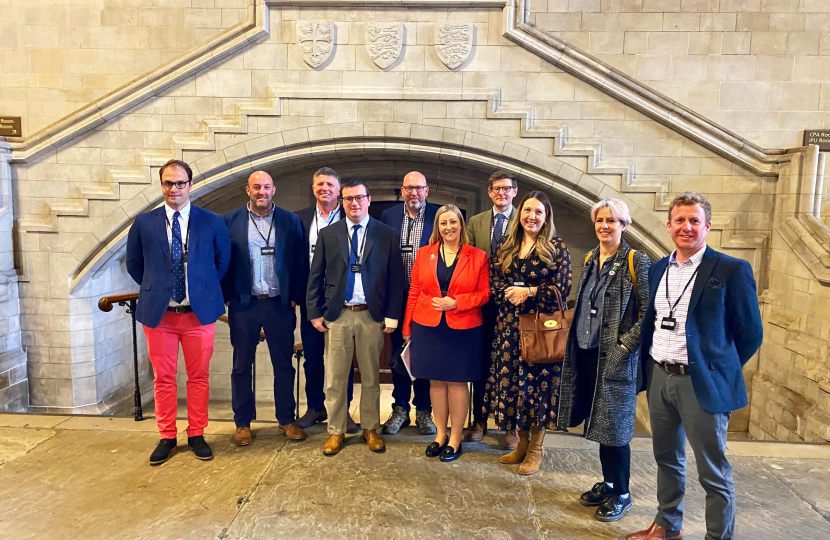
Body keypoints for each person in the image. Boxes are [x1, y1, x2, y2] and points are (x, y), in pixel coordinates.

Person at [625, 192, 763, 540]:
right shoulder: (658, 268)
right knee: (666, 458)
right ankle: (667, 526)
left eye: (694, 221)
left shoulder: (731, 269)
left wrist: (715, 367)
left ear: (707, 226)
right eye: (680, 221)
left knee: (712, 471)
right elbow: (653, 320)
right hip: (661, 377)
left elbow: (750, 333)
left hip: (700, 382)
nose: (687, 227)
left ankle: (718, 536)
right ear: (669, 225)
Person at [126, 159, 230, 465]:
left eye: (180, 183)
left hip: (198, 314)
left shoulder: (211, 221)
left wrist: (200, 289)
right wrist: (158, 287)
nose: (174, 189)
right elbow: (135, 265)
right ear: (161, 186)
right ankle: (167, 436)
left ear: (190, 185)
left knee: (198, 377)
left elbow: (222, 263)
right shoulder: (144, 223)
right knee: (163, 379)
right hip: (160, 315)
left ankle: (197, 434)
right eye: (168, 183)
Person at [557, 199, 651, 522]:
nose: (605, 226)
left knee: (617, 429)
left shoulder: (635, 261)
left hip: (615, 357)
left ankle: (622, 492)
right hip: (587, 354)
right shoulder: (590, 257)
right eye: (600, 220)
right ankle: (608, 482)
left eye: (612, 221)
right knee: (599, 425)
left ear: (624, 225)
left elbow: (649, 312)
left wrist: (626, 347)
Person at [307, 177, 405, 456]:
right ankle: (336, 431)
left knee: (372, 377)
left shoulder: (385, 234)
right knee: (335, 377)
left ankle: (370, 428)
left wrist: (392, 316)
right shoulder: (329, 233)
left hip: (370, 316)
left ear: (369, 200)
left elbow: (396, 279)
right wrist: (315, 312)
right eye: (348, 198)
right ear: (342, 201)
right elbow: (316, 276)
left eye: (359, 198)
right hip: (338, 316)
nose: (354, 203)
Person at [483, 190, 572, 475]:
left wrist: (530, 292)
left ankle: (536, 448)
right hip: (508, 329)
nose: (531, 217)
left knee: (538, 390)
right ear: (519, 214)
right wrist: (509, 293)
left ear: (546, 218)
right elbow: (493, 281)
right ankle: (521, 444)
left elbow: (562, 290)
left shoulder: (556, 247)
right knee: (513, 388)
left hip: (540, 331)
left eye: (538, 212)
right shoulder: (507, 246)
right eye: (527, 211)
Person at [222, 171, 307, 446]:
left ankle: (286, 420)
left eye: (266, 187)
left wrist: (294, 296)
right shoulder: (230, 221)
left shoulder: (289, 220)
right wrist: (228, 296)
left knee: (284, 365)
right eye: (256, 187)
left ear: (274, 190)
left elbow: (298, 262)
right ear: (247, 190)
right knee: (241, 366)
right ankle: (243, 424)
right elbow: (222, 261)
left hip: (278, 304)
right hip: (244, 304)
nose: (262, 191)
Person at [403, 205, 490, 462]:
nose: (448, 227)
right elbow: (415, 291)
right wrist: (407, 327)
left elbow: (485, 294)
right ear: (437, 227)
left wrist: (457, 302)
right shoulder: (424, 253)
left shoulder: (478, 256)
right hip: (427, 326)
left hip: (463, 327)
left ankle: (455, 438)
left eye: (453, 222)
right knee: (436, 382)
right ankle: (439, 435)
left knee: (457, 382)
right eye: (443, 223)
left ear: (461, 225)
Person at [294, 167, 357, 433]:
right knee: (312, 357)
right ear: (313, 189)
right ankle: (315, 406)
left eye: (330, 184)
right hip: (312, 300)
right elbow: (293, 261)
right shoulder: (299, 219)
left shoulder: (353, 217)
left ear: (339, 190)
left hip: (343, 301)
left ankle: (343, 409)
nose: (325, 188)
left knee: (344, 358)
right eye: (320, 184)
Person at [380, 171, 439, 436]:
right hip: (397, 297)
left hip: (428, 299)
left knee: (424, 355)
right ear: (401, 191)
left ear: (427, 190)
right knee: (398, 357)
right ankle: (400, 409)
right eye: (408, 188)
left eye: (418, 188)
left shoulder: (439, 216)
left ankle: (424, 411)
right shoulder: (389, 216)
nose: (413, 193)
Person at [465, 170, 519, 448]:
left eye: (506, 188)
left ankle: (510, 426)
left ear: (514, 192)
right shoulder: (476, 222)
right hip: (484, 304)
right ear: (489, 192)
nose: (502, 193)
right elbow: (470, 260)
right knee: (482, 364)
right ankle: (479, 420)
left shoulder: (527, 218)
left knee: (511, 366)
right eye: (497, 188)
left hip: (514, 305)